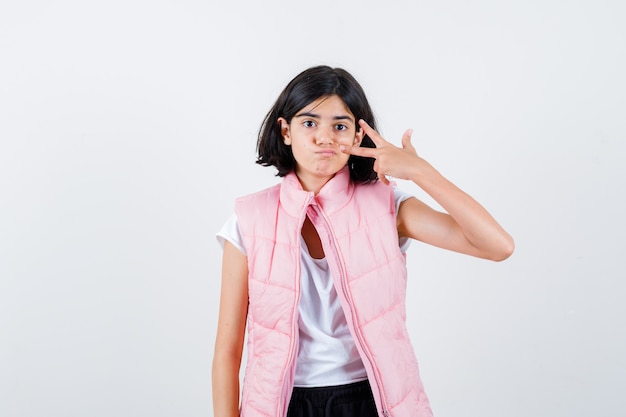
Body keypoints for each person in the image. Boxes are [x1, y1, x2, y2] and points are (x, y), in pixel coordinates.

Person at [212, 65, 514, 417]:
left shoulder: (388, 205)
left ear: (357, 136)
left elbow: (497, 245)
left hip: (373, 399)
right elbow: (227, 351)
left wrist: (420, 171)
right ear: (286, 131)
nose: (325, 138)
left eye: (339, 126)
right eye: (309, 123)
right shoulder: (249, 219)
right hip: (281, 404)